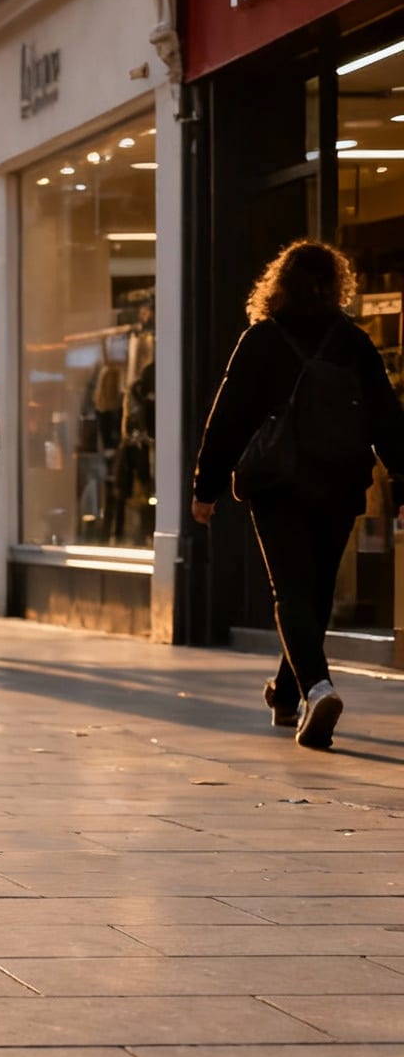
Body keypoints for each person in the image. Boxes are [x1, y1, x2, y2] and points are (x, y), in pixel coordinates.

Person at [193, 240, 404, 748]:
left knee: (290, 591)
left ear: (278, 284)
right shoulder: (352, 341)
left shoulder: (262, 339)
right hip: (340, 480)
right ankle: (287, 695)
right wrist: (401, 478)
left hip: (278, 482)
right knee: (317, 592)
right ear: (338, 285)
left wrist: (207, 486)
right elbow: (386, 416)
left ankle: (316, 687)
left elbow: (228, 418)